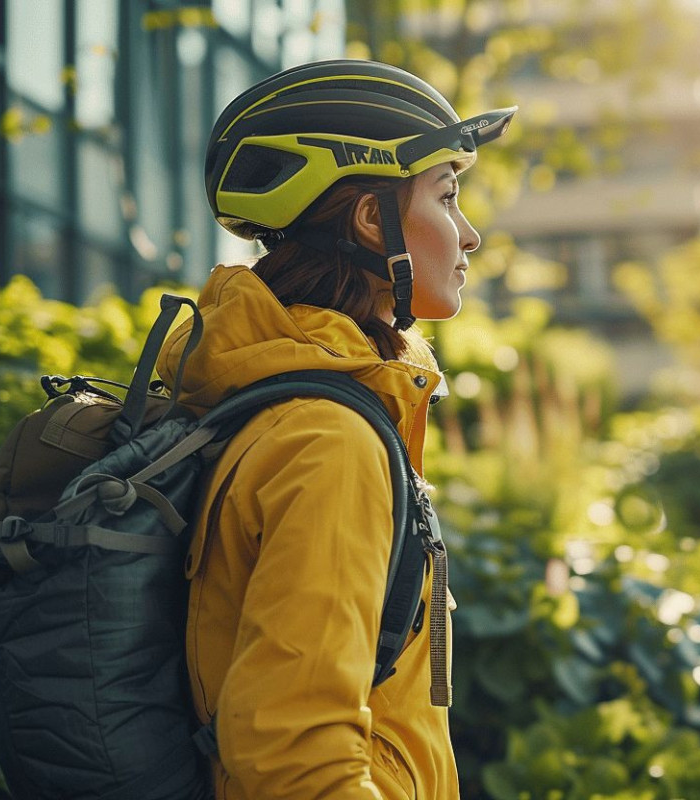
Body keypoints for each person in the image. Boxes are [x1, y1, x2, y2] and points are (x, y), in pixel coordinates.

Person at [153, 59, 516, 799]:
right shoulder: (328, 443)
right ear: (367, 218)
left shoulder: (277, 400)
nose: (470, 235)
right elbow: (297, 762)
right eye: (447, 198)